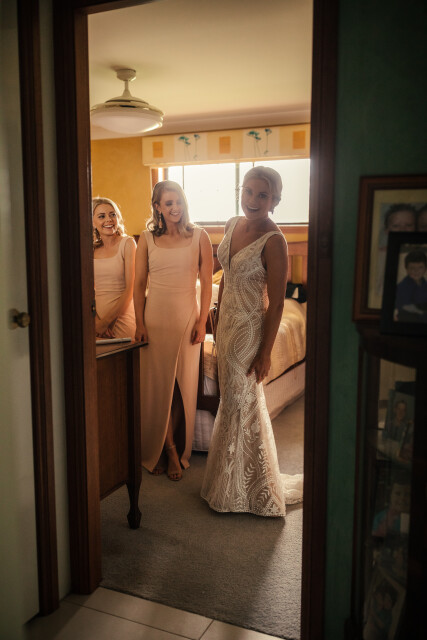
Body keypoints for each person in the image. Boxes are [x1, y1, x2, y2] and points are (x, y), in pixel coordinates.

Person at [201, 166, 303, 516]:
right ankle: (231, 481)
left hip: (249, 331)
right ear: (240, 192)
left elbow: (277, 304)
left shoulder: (274, 241)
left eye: (263, 195)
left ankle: (253, 488)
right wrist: (216, 320)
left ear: (275, 200)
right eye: (248, 191)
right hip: (226, 327)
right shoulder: (231, 224)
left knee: (242, 403)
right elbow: (226, 277)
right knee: (231, 402)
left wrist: (265, 353)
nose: (253, 200)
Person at [134, 181, 212, 481]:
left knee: (181, 389)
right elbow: (139, 285)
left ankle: (173, 444)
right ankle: (167, 448)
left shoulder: (200, 236)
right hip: (155, 320)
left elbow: (207, 284)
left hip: (187, 319)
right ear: (157, 207)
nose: (175, 207)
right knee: (158, 388)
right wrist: (139, 323)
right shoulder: (146, 239)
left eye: (178, 201)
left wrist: (202, 322)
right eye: (168, 203)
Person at [93, 197, 136, 339]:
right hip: (96, 321)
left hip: (122, 318)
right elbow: (88, 292)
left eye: (112, 215)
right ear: (92, 222)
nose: (109, 220)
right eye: (101, 216)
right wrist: (97, 322)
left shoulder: (128, 243)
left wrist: (106, 322)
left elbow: (130, 289)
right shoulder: (91, 249)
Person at [393, 249, 427, 322]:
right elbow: (404, 307)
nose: (416, 271)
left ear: (425, 269)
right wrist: (422, 312)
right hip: (408, 321)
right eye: (412, 268)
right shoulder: (402, 287)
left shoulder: (425, 285)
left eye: (420, 267)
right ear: (406, 269)